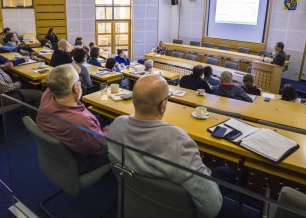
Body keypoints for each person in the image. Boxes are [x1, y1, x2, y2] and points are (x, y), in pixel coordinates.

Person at [107, 74, 223, 218]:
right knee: (224, 172)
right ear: (163, 105)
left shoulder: (116, 125)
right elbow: (213, 208)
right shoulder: (179, 142)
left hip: (133, 207)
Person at [36, 64, 109, 173]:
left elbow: (56, 81)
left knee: (101, 117)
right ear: (76, 87)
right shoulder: (82, 122)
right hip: (84, 161)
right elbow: (103, 146)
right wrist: (110, 128)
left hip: (60, 157)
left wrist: (72, 73)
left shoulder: (46, 99)